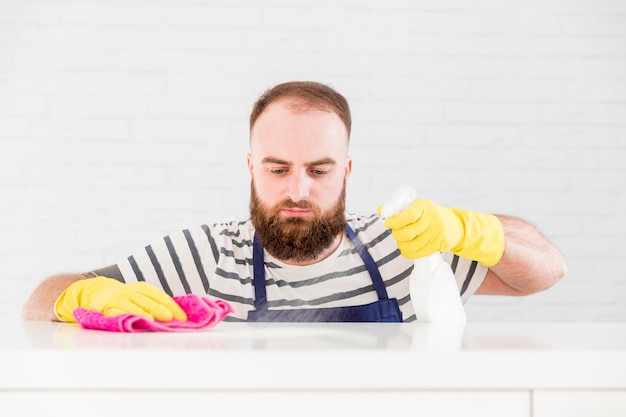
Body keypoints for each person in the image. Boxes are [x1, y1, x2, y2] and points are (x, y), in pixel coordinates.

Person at [22, 81, 567, 323]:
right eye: (278, 169)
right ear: (251, 166)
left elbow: (544, 272)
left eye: (320, 170)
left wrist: (472, 229)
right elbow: (39, 301)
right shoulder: (207, 255)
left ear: (347, 171)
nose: (298, 190)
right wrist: (79, 298)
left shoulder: (403, 246)